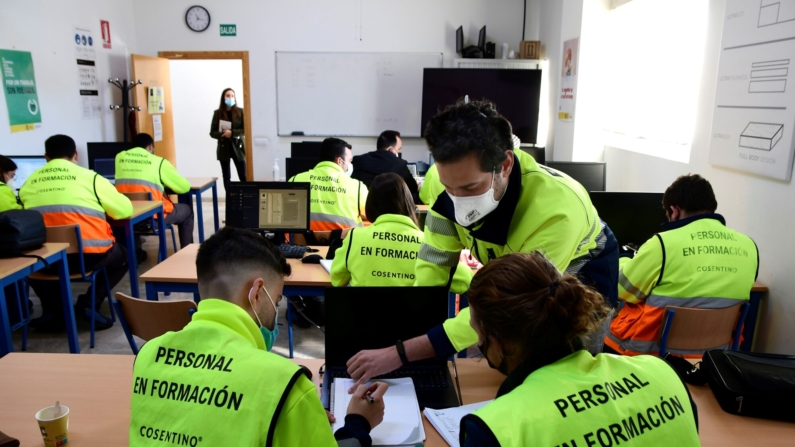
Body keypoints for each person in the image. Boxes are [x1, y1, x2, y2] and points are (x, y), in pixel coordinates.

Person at [346, 99, 619, 385]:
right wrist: (405, 340)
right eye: (448, 187)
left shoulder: (556, 209)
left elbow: (508, 303)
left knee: (565, 374)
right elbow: (431, 270)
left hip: (580, 278)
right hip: (515, 277)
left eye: (469, 187)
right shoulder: (449, 189)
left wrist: (403, 353)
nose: (458, 200)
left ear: (505, 164)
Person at [129, 227, 388, 447]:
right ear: (256, 293)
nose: (276, 311)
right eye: (276, 300)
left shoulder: (147, 355)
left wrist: (292, 415)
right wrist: (358, 422)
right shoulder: (283, 384)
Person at [458, 252, 700, 446]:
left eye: (478, 333)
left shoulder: (497, 430)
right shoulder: (664, 375)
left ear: (500, 343)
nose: (479, 344)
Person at [605, 174, 759, 356]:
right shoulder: (749, 245)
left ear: (674, 211)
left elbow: (622, 290)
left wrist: (626, 258)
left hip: (652, 355)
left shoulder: (663, 244)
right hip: (716, 357)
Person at [20, 135, 133, 330]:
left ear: (46, 157)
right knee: (127, 256)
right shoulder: (91, 178)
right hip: (88, 257)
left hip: (45, 262)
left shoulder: (29, 183)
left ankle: (54, 311)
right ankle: (89, 304)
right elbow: (125, 210)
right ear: (76, 155)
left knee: (30, 266)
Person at [330, 173, 472, 293]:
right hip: (416, 324)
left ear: (371, 205)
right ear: (408, 202)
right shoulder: (428, 243)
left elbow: (337, 279)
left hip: (363, 324)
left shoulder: (355, 237)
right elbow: (465, 281)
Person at [115, 133, 194, 249]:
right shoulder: (159, 162)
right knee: (187, 211)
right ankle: (187, 252)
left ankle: (136, 252)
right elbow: (184, 187)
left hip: (128, 215)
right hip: (151, 218)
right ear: (150, 147)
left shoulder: (119, 158)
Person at [289, 137, 368, 231]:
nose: (350, 165)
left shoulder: (295, 180)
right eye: (350, 161)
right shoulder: (357, 187)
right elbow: (371, 214)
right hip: (344, 243)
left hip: (299, 244)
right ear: (339, 161)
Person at [351, 130, 419, 204]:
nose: (399, 152)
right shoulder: (400, 164)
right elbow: (413, 188)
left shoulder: (358, 160)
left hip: (363, 206)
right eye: (399, 149)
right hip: (390, 207)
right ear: (391, 150)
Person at [210, 88, 246, 191]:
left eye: (232, 96)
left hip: (238, 147)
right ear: (223, 98)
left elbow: (245, 130)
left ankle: (245, 198)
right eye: (228, 95)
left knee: (243, 175)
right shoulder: (217, 113)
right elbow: (212, 132)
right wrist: (223, 134)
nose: (230, 98)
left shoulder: (241, 112)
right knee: (226, 176)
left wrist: (232, 133)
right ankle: (230, 199)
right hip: (223, 148)